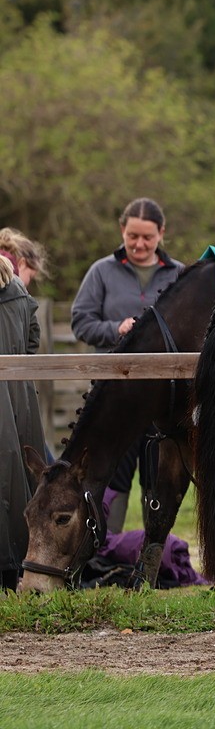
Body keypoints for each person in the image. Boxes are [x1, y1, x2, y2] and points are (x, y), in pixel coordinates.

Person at [71, 198, 183, 532]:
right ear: (123, 230)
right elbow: (81, 322)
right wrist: (114, 329)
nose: (139, 243)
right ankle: (105, 551)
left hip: (164, 398)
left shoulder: (179, 274)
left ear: (162, 233)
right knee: (110, 473)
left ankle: (152, 555)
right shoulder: (101, 271)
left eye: (147, 237)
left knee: (158, 474)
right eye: (133, 235)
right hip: (113, 395)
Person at [0, 252, 46, 591]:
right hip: (18, 397)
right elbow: (32, 338)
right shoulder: (18, 289)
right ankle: (14, 569)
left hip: (11, 397)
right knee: (16, 482)